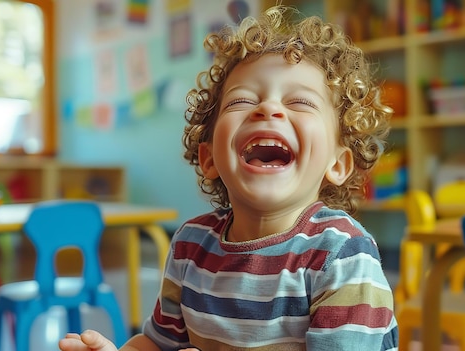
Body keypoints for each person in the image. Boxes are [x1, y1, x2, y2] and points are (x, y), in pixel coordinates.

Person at [59, 5, 398, 351]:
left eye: (299, 101)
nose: (267, 109)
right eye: (242, 100)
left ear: (338, 163)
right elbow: (157, 343)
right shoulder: (191, 245)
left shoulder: (342, 254)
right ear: (209, 159)